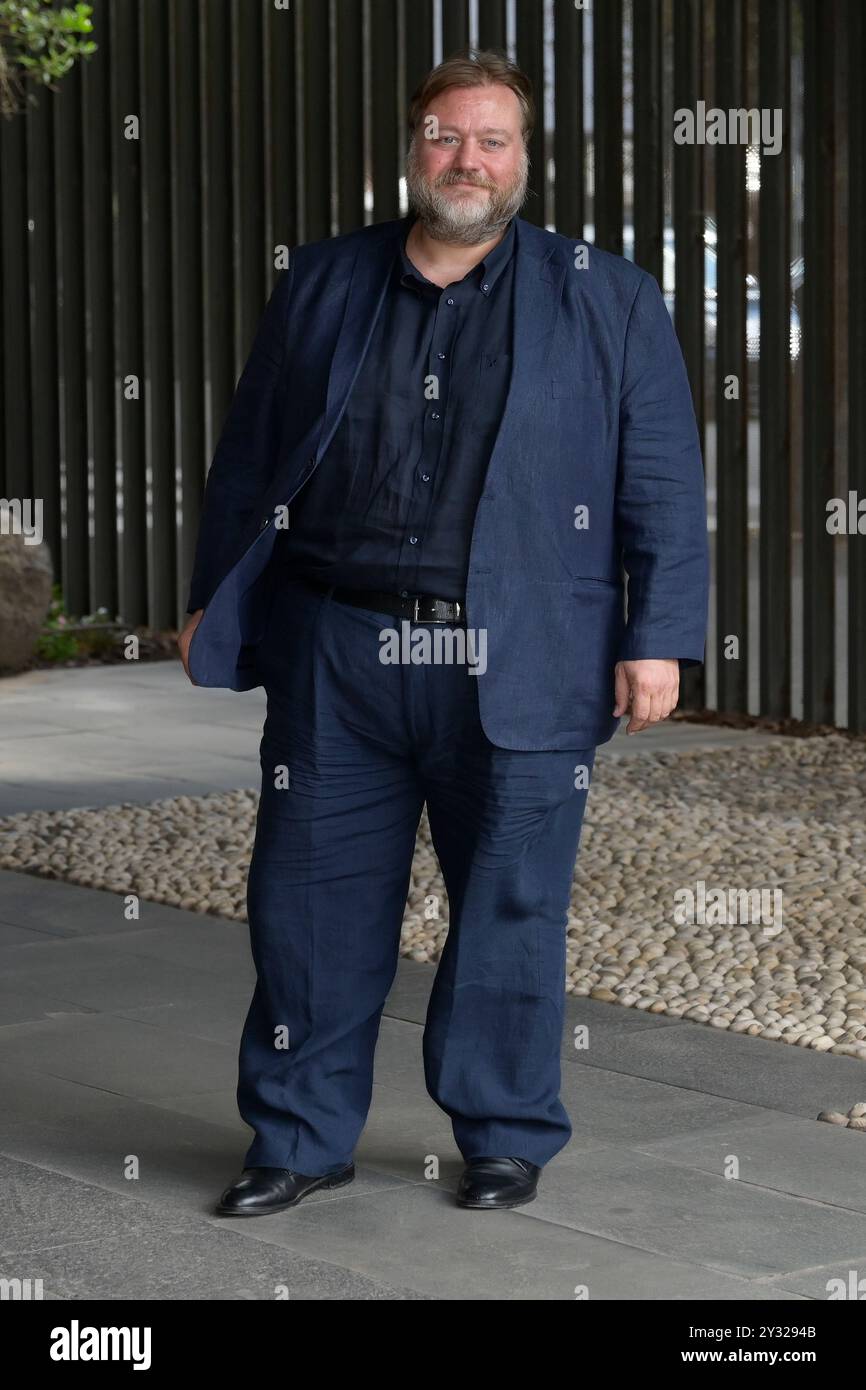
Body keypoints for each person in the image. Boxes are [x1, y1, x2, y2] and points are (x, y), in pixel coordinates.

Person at [178, 49, 709, 1215]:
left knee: (511, 906)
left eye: (491, 139)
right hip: (339, 650)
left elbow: (662, 482)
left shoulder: (602, 295)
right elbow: (251, 453)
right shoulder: (321, 281)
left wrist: (656, 635)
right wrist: (219, 592)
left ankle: (504, 1131)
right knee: (306, 908)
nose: (465, 158)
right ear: (410, 145)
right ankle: (298, 1134)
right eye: (443, 134)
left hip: (520, 655)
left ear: (523, 159)